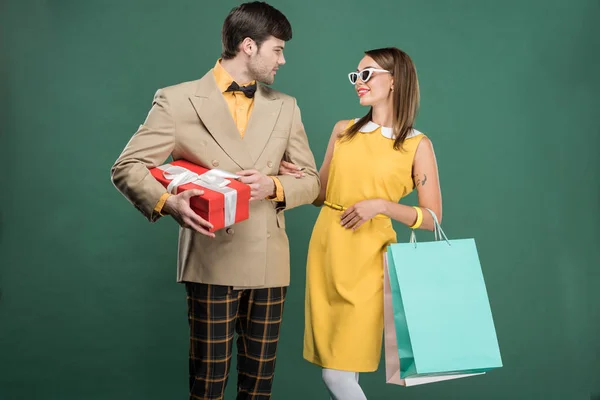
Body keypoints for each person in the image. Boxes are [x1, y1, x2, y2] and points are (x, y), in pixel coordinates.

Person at [111, 2, 320, 399]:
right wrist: (167, 203)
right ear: (248, 46)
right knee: (207, 386)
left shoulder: (286, 107)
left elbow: (311, 182)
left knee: (259, 388)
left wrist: (274, 187)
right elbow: (128, 166)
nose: (283, 60)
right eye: (277, 49)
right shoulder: (177, 100)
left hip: (268, 264)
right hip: (210, 259)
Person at [280, 47, 442, 399]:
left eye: (366, 74)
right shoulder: (344, 130)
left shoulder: (418, 145)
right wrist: (291, 175)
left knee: (337, 377)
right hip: (327, 250)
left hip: (369, 260)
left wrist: (382, 205)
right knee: (337, 373)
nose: (358, 83)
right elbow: (319, 193)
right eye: (355, 75)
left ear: (395, 81)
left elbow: (432, 218)